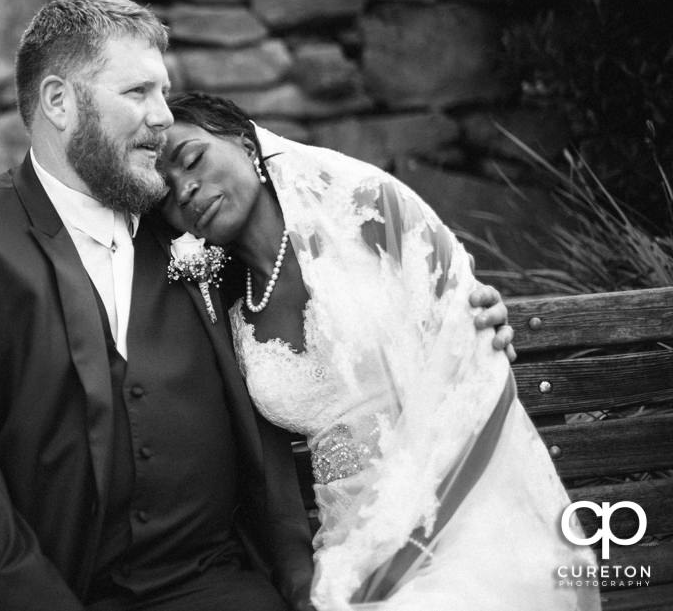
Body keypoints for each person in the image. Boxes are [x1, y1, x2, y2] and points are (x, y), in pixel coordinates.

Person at [0, 0, 513, 611]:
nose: (163, 116)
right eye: (138, 91)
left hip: (207, 585)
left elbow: (324, 294)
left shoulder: (197, 231)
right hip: (44, 589)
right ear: (59, 101)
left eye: (164, 92)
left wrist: (453, 307)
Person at [158, 92, 599, 611]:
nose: (185, 189)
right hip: (348, 554)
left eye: (192, 159)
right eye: (165, 192)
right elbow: (271, 477)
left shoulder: (367, 212)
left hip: (464, 512)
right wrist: (304, 588)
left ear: (245, 141)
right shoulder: (225, 306)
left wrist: (477, 323)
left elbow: (471, 365)